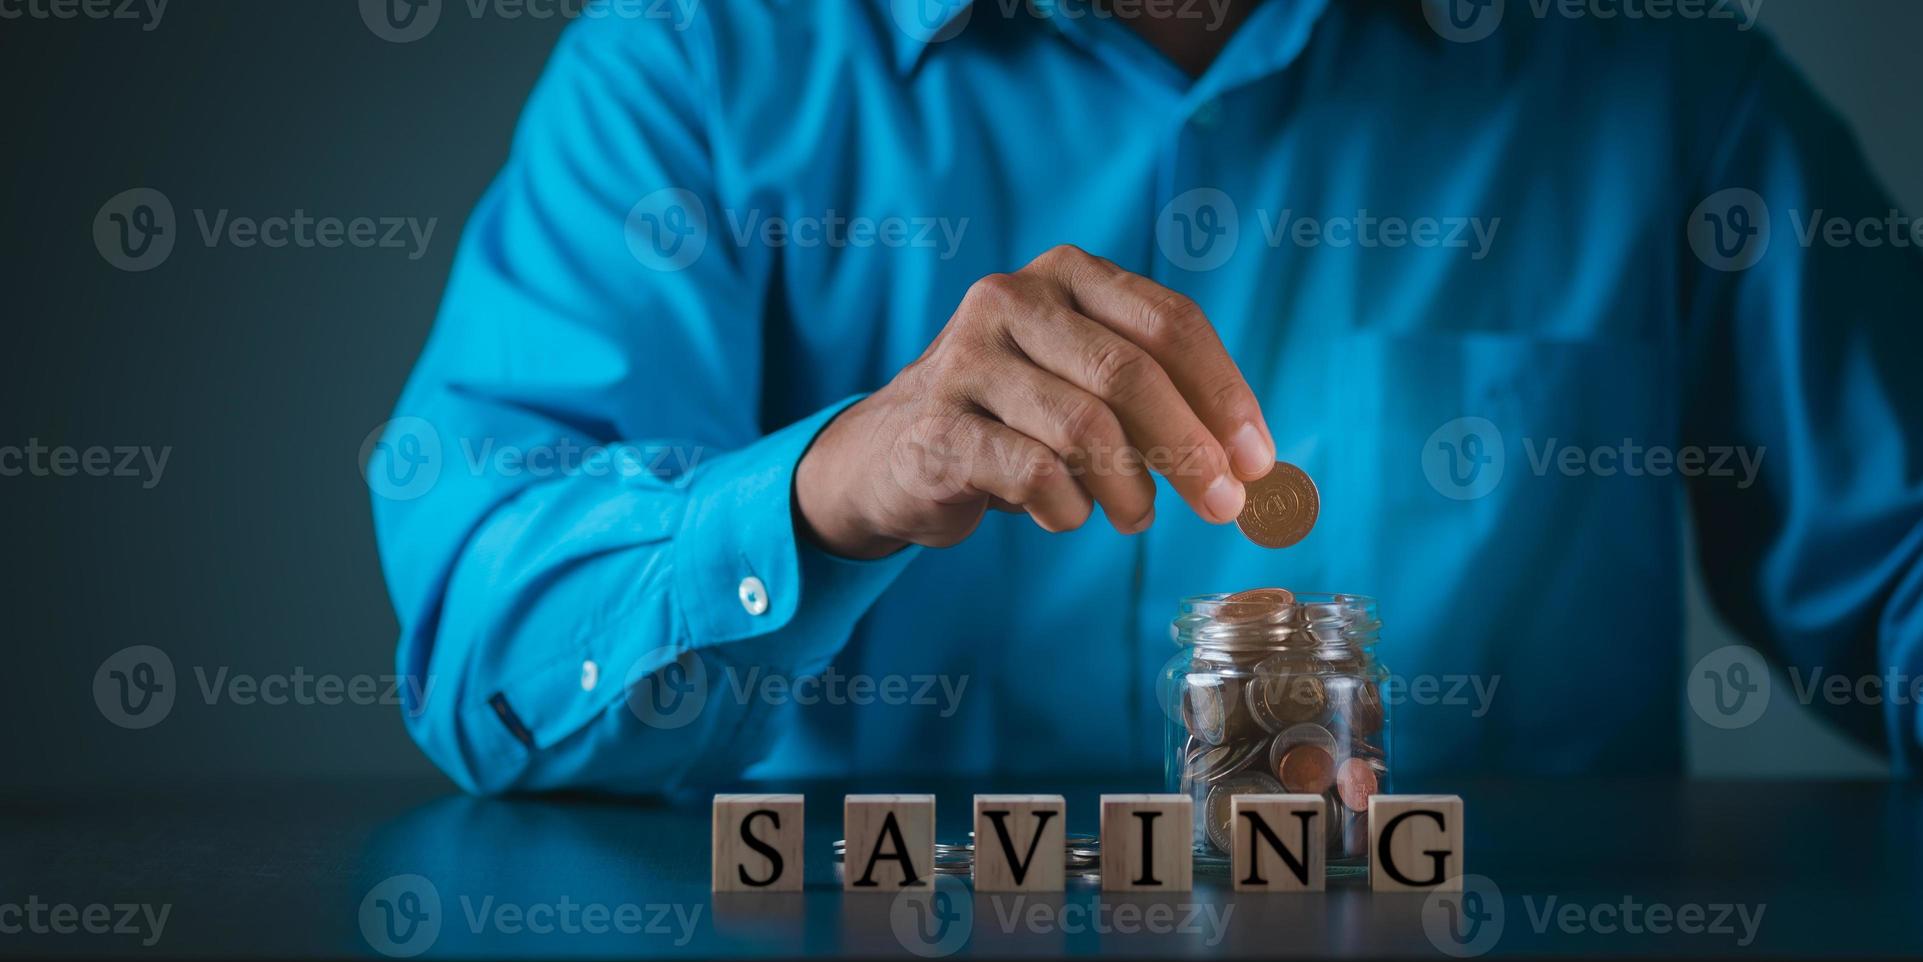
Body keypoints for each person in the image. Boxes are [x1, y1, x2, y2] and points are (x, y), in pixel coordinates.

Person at [371, 0, 1923, 795]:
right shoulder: (690, 66)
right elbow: (488, 673)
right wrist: (817, 492)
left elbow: (1899, 582)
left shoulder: (1655, 78)